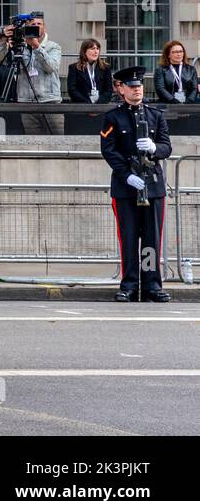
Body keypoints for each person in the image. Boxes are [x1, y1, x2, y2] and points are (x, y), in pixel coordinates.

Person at [100, 66, 171, 303]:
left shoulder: (155, 115)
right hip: (126, 187)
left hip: (152, 186)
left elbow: (166, 147)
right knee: (129, 239)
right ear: (121, 89)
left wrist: (153, 148)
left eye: (139, 86)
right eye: (132, 86)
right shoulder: (113, 117)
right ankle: (129, 285)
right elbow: (109, 151)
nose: (137, 90)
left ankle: (152, 285)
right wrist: (126, 175)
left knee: (151, 240)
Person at [0, 13, 62, 133]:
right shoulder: (20, 48)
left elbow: (51, 67)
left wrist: (36, 47)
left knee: (57, 141)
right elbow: (0, 59)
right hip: (26, 102)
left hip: (50, 101)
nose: (35, 26)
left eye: (38, 24)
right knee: (32, 143)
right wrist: (3, 39)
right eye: (32, 24)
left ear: (44, 27)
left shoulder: (53, 47)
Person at [68, 38, 113, 104]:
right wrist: (88, 104)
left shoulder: (105, 68)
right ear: (84, 51)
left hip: (101, 107)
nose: (96, 51)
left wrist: (98, 105)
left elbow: (109, 90)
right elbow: (72, 90)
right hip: (81, 107)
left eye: (97, 48)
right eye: (92, 48)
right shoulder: (74, 68)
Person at [153, 40, 197, 105]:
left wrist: (188, 102)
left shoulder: (191, 69)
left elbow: (194, 88)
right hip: (168, 105)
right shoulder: (160, 70)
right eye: (175, 52)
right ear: (168, 54)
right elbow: (160, 89)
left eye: (181, 51)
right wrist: (174, 101)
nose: (179, 54)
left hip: (188, 105)